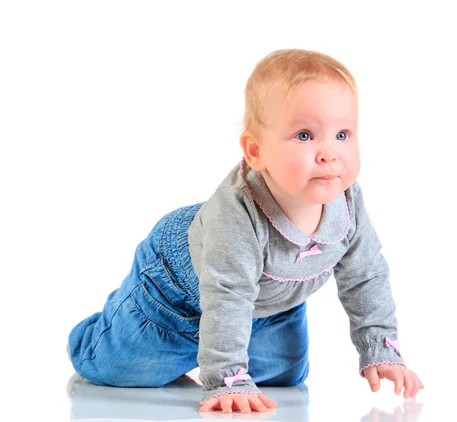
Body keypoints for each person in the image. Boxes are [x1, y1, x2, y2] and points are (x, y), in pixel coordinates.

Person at [68, 48, 424, 414]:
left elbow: (366, 276)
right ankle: (104, 332)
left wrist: (381, 348)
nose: (329, 153)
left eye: (343, 134)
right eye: (304, 135)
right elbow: (227, 294)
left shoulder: (347, 201)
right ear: (256, 152)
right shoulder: (237, 214)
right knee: (122, 368)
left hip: (268, 304)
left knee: (282, 378)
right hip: (176, 293)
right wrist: (226, 378)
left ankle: (214, 348)